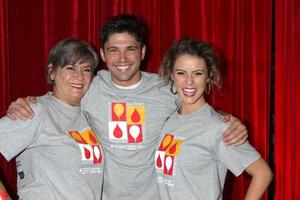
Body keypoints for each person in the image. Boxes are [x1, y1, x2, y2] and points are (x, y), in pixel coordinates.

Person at [6, 14, 248, 200]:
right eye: (114, 50)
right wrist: (25, 104)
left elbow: (196, 108)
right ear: (102, 54)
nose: (122, 59)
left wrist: (226, 119)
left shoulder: (165, 88)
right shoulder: (90, 86)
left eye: (130, 49)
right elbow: (59, 99)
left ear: (142, 52)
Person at [155, 37, 273, 199]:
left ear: (208, 77)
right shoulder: (170, 120)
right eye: (181, 73)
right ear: (172, 76)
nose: (189, 81)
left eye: (198, 73)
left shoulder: (218, 127)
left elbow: (262, 173)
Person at [0, 38, 104, 200]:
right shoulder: (35, 110)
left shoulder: (90, 114)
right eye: (70, 68)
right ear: (52, 72)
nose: (79, 76)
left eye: (86, 69)